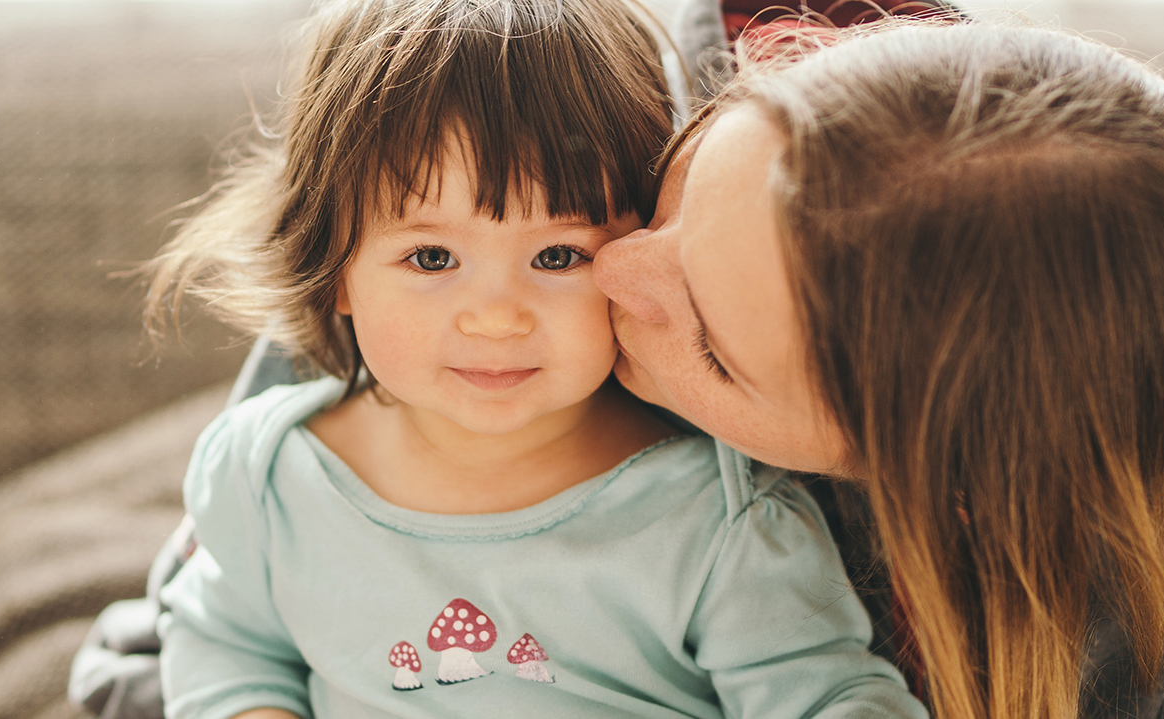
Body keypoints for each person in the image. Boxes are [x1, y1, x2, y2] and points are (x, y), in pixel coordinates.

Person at [74, 8, 1164, 719]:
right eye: (669, 199)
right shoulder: (529, 171)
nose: (606, 275)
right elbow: (178, 637)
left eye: (704, 337)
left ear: (906, 481)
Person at [129, 0, 926, 717]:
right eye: (433, 258)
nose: (498, 317)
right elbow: (225, 643)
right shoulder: (268, 476)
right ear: (337, 268)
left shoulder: (722, 517)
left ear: (642, 248)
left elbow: (832, 695)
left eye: (557, 256)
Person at [591, 18, 1164, 719]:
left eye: (713, 353)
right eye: (691, 184)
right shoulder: (615, 146)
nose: (612, 267)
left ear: (946, 487)